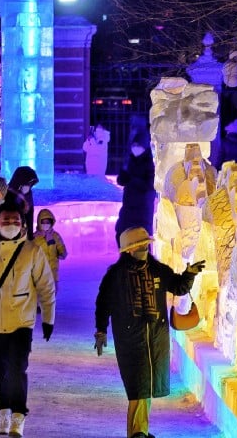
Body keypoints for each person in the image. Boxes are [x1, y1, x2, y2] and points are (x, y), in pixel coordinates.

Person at [95, 226, 205, 438]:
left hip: (156, 336)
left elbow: (178, 286)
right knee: (138, 386)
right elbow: (103, 304)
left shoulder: (157, 270)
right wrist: (101, 330)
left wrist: (189, 275)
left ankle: (139, 431)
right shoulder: (116, 276)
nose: (144, 248)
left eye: (145, 244)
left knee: (147, 384)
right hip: (130, 339)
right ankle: (138, 432)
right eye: (139, 246)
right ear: (128, 250)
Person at [0, 200, 56, 438]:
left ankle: (17, 415)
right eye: (6, 220)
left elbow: (45, 287)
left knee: (18, 369)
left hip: (21, 323)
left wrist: (48, 318)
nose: (11, 224)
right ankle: (2, 409)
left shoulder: (32, 251)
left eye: (16, 220)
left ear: (23, 223)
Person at [115, 133, 156, 243]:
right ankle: (126, 258)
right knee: (120, 232)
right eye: (134, 145)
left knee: (140, 239)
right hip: (128, 206)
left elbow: (150, 185)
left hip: (142, 208)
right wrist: (123, 172)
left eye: (138, 145)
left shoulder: (148, 163)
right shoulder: (130, 160)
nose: (135, 148)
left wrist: (132, 180)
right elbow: (121, 180)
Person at [34, 208, 67, 289]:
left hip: (53, 275)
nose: (45, 224)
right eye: (43, 222)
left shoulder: (55, 236)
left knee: (51, 298)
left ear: (51, 222)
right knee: (38, 299)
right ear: (39, 222)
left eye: (47, 222)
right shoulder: (34, 237)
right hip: (38, 275)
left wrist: (62, 253)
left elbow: (62, 249)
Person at [8, 166, 39, 238]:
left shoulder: (28, 194)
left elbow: (30, 216)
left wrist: (30, 236)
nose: (29, 185)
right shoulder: (8, 194)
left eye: (31, 183)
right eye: (28, 183)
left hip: (25, 235)